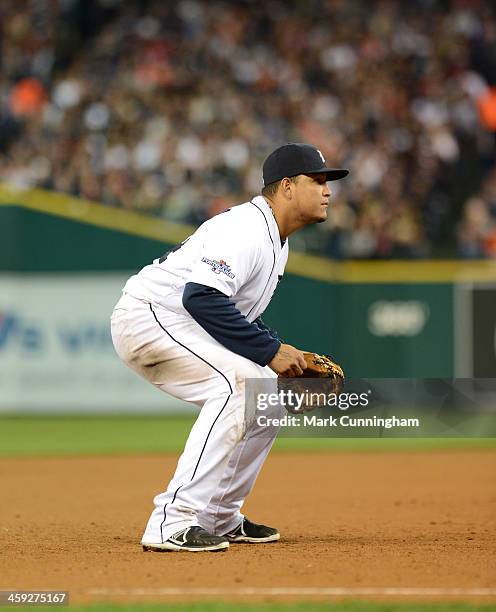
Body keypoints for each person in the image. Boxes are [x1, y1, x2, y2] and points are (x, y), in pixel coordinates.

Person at [110, 143, 349, 552]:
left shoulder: (278, 239)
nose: (328, 191)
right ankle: (172, 520)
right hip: (148, 318)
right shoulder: (247, 229)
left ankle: (217, 516)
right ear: (287, 187)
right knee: (239, 385)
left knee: (264, 396)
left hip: (184, 323)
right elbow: (200, 297)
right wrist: (271, 352)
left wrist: (275, 352)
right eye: (318, 181)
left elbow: (234, 313)